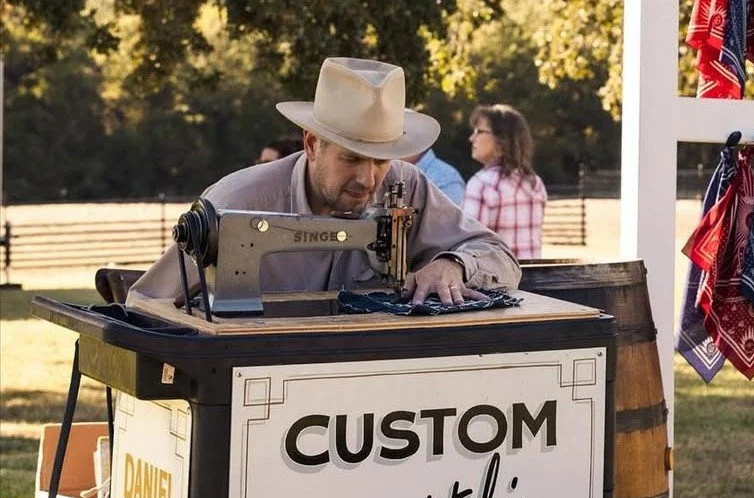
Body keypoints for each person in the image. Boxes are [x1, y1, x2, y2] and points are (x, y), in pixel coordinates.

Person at [128, 57, 521, 309]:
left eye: (381, 160)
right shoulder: (235, 202)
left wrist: (453, 264)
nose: (368, 179)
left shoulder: (406, 185)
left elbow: (500, 258)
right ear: (312, 144)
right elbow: (146, 305)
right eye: (350, 158)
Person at [462, 104, 547, 263]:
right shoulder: (535, 184)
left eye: (479, 131)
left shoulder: (481, 185)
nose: (472, 138)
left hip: (496, 284)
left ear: (502, 140)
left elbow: (468, 249)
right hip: (535, 281)